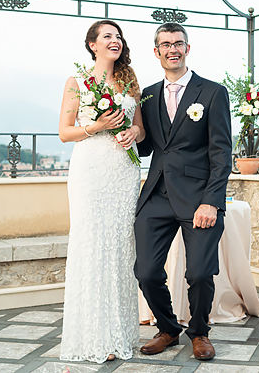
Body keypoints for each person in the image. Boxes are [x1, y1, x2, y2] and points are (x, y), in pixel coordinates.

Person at [134, 22, 232, 361]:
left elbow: (222, 153)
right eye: (165, 44)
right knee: (145, 272)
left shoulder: (212, 92)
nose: (172, 49)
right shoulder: (146, 94)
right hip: (157, 195)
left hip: (198, 198)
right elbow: (146, 148)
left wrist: (211, 201)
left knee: (201, 273)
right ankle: (168, 328)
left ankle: (200, 332)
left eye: (178, 43)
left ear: (187, 49)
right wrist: (125, 128)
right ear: (157, 52)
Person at [58, 20, 145, 363]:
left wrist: (132, 134)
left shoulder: (129, 81)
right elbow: (65, 133)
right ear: (92, 45)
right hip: (91, 171)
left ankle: (120, 335)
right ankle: (92, 335)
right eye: (108, 36)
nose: (116, 40)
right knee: (92, 244)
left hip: (124, 171)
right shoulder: (77, 82)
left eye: (119, 36)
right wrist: (98, 126)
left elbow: (139, 126)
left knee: (122, 248)